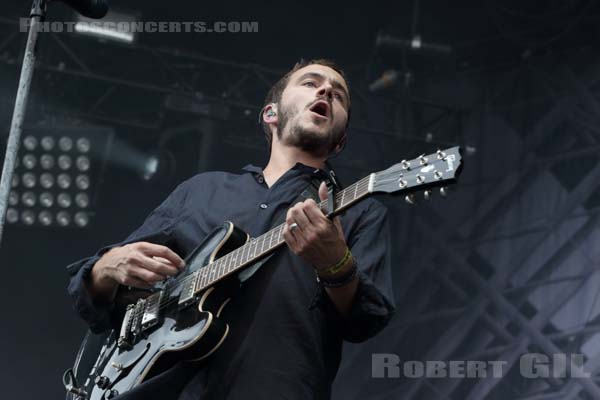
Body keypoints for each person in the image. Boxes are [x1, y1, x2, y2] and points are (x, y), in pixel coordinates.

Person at [67, 59, 396, 400]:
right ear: (271, 114)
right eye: (310, 83)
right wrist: (106, 267)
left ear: (340, 141)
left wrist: (335, 265)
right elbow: (94, 299)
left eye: (338, 95)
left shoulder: (358, 211)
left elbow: (366, 319)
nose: (326, 90)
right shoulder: (201, 191)